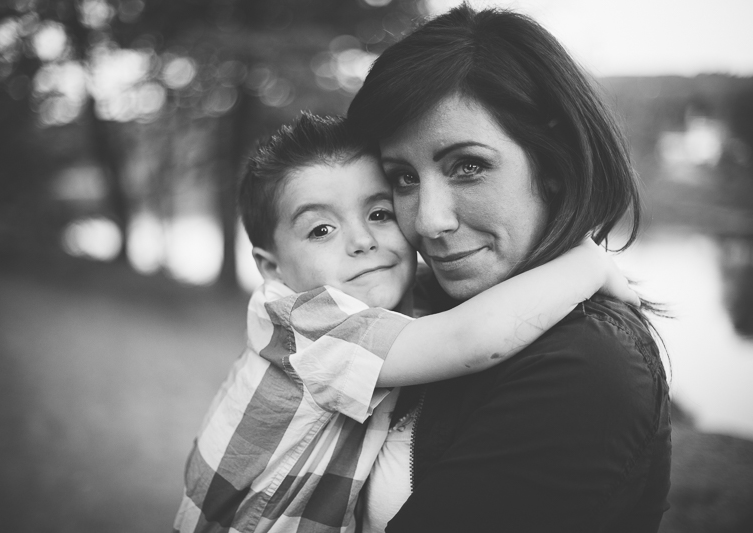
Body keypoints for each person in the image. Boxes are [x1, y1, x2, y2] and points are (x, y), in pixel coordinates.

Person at [172, 113, 637, 533]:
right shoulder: (308, 322)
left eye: (379, 213)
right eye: (321, 230)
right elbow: (469, 339)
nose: (361, 241)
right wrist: (586, 265)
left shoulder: (365, 302)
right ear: (272, 268)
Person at [346, 5, 672, 533]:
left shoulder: (586, 367)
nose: (429, 221)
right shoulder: (425, 310)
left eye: (468, 166)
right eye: (403, 178)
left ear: (553, 163)